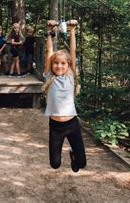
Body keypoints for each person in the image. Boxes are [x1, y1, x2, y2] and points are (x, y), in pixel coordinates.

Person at [43, 19, 86, 172]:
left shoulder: (71, 76)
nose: (59, 66)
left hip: (72, 124)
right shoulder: (49, 76)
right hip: (55, 127)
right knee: (55, 164)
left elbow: (72, 52)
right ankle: (65, 157)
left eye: (63, 63)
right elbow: (49, 52)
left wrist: (72, 30)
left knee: (81, 164)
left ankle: (74, 156)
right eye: (56, 63)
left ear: (68, 65)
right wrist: (49, 31)